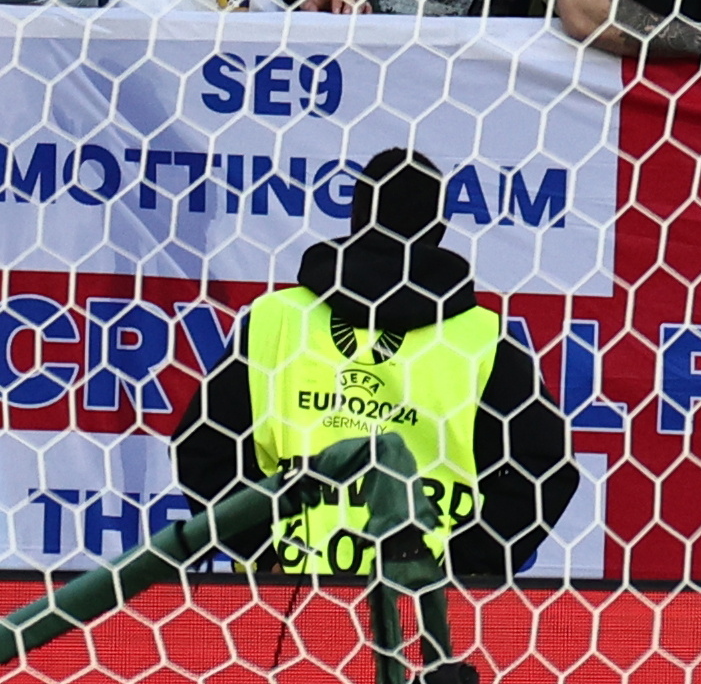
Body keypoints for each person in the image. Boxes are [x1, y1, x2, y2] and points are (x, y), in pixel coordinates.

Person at [171, 145, 574, 584]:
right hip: (427, 603)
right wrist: (466, 566)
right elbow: (545, 470)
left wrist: (262, 550)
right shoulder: (483, 339)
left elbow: (202, 448)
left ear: (356, 216)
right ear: (439, 226)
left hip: (285, 594)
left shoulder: (276, 319)